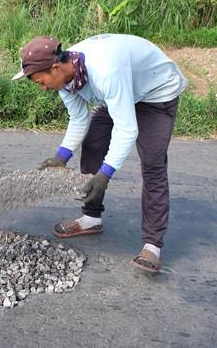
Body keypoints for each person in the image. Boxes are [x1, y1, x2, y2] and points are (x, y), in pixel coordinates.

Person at [12, 34, 188, 273]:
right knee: (94, 143)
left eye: (40, 81)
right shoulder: (64, 79)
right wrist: (61, 156)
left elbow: (127, 129)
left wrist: (105, 174)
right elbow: (78, 118)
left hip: (156, 92)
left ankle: (152, 245)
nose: (41, 87)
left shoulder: (105, 70)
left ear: (54, 68)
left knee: (153, 163)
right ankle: (91, 218)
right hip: (120, 92)